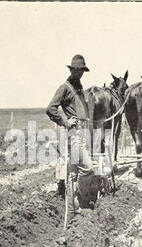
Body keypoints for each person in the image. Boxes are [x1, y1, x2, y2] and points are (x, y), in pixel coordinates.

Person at [46, 55, 94, 219]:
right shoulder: (65, 87)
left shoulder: (79, 88)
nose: (80, 73)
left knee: (73, 174)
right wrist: (65, 122)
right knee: (88, 168)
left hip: (82, 133)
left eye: (82, 71)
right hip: (73, 135)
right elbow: (50, 109)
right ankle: (81, 198)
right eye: (77, 70)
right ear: (71, 70)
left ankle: (74, 210)